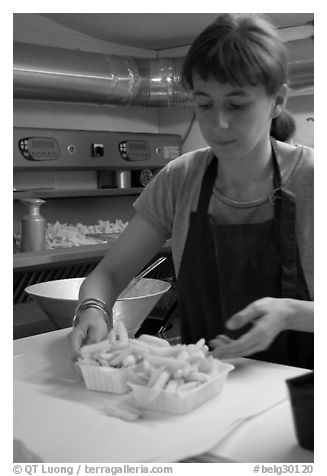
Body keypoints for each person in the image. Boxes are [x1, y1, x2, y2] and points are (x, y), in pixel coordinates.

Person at [71, 13, 313, 369]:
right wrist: (92, 309)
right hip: (198, 386)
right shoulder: (180, 179)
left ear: (277, 101)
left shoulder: (312, 179)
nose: (217, 123)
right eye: (204, 104)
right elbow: (107, 276)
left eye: (237, 104)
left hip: (302, 397)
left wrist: (291, 313)